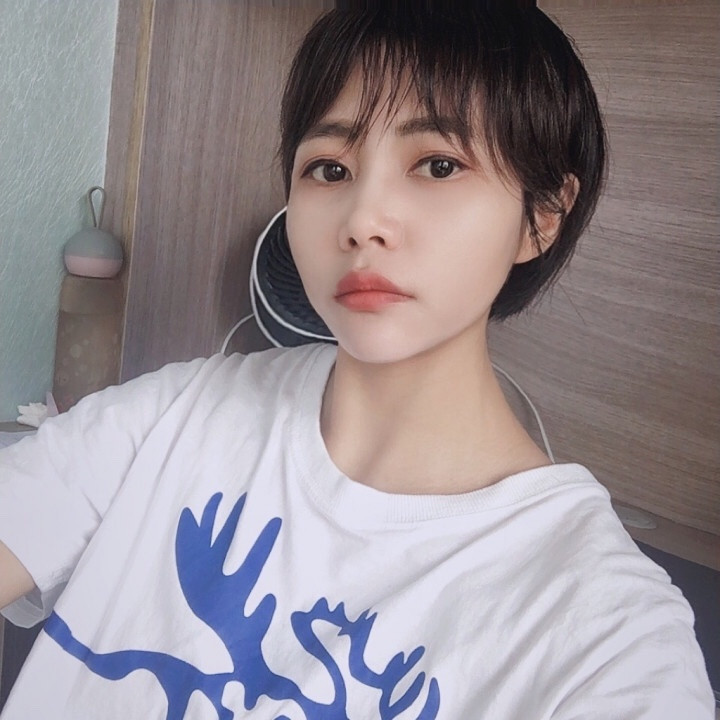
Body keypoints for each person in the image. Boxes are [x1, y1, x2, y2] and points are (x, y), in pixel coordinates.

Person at [0, 5, 714, 719]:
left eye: (438, 165)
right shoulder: (173, 418)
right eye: (330, 169)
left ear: (544, 215)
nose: (363, 220)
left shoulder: (610, 637)